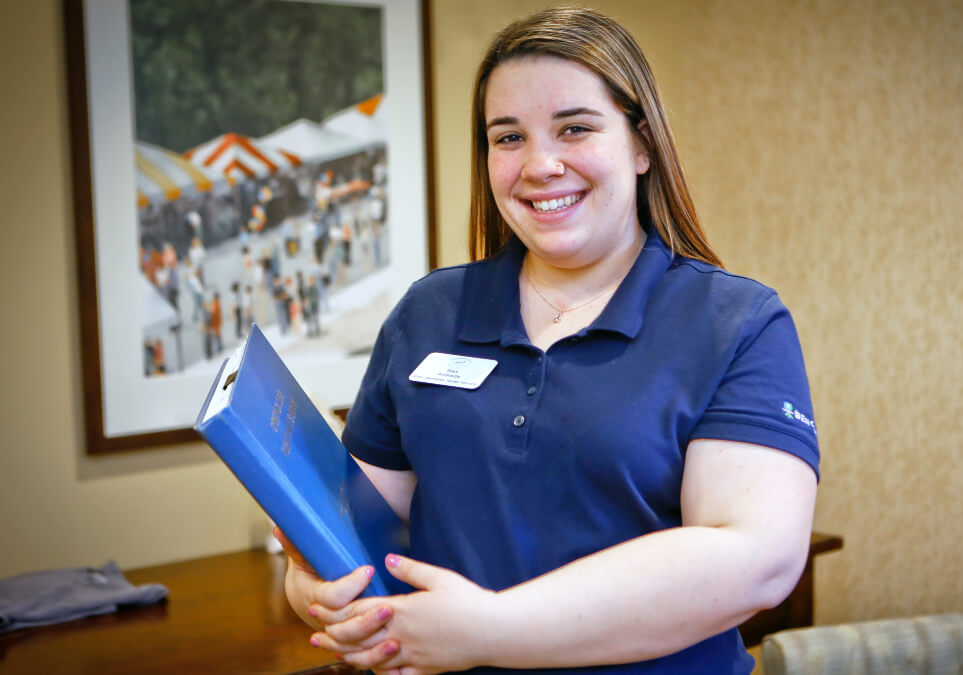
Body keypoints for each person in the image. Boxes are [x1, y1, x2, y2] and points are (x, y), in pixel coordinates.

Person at [276, 7, 819, 674]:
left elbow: (755, 558)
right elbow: (354, 534)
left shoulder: (736, 322)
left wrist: (491, 630)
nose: (540, 164)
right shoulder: (429, 313)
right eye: (508, 138)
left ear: (642, 143)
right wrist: (315, 591)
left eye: (574, 128)